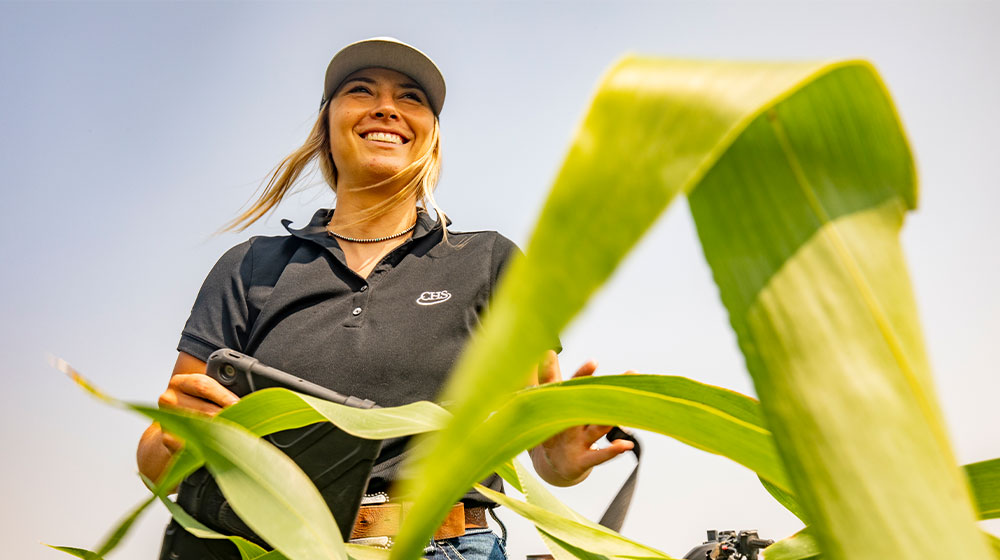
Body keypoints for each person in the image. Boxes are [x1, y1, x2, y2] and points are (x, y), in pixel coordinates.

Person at [136, 37, 634, 560]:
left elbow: (546, 455)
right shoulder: (249, 266)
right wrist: (174, 439)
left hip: (447, 545)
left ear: (431, 139)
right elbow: (159, 466)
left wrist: (560, 453)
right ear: (327, 127)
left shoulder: (493, 262)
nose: (387, 108)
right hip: (274, 547)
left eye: (412, 97)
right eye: (360, 90)